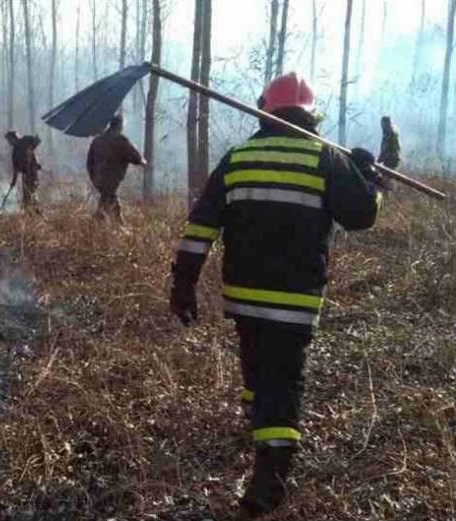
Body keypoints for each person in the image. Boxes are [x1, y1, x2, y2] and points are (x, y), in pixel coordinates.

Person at [168, 72, 384, 519]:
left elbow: (200, 225)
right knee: (282, 385)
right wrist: (370, 178)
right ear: (311, 114)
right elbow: (362, 216)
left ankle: (260, 433)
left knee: (257, 371)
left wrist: (183, 284)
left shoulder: (238, 157)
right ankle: (269, 482)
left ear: (264, 109)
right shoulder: (325, 159)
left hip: (244, 298)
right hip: (296, 302)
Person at [85, 114, 146, 227]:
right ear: (120, 126)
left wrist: (94, 178)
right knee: (112, 208)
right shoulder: (121, 141)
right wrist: (144, 161)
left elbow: (89, 163)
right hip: (111, 181)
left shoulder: (97, 140)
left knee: (107, 204)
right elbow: (137, 158)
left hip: (98, 180)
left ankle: (96, 228)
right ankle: (120, 232)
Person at [4, 131, 43, 215]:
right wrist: (13, 183)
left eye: (10, 140)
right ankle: (30, 215)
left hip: (33, 174)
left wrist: (31, 148)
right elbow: (16, 169)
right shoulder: (15, 152)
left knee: (31, 194)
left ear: (14, 138)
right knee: (26, 198)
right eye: (8, 141)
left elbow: (37, 140)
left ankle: (38, 214)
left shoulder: (26, 140)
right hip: (25, 176)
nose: (9, 143)